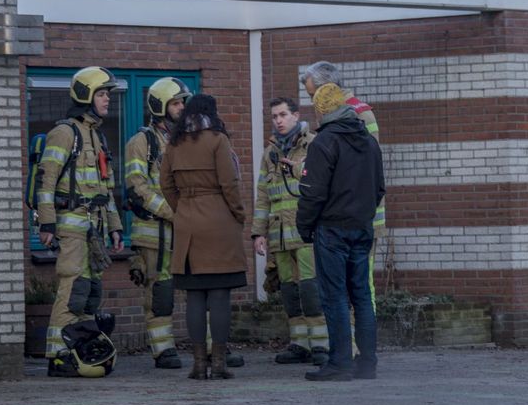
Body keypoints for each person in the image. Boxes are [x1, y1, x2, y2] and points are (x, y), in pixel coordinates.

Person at [38, 66, 125, 378]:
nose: (106, 100)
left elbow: (106, 188)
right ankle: (57, 354)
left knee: (89, 292)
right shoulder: (65, 134)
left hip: (96, 229)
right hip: (73, 227)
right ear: (86, 96)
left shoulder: (97, 135)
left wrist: (115, 226)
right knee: (72, 288)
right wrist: (47, 224)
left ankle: (79, 348)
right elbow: (45, 183)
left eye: (107, 95)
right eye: (102, 94)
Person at [297, 82, 385, 382]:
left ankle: (339, 363)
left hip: (332, 231)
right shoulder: (369, 142)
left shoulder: (324, 143)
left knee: (334, 297)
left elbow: (312, 192)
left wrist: (305, 227)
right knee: (361, 296)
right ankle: (367, 363)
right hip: (361, 229)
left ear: (322, 111)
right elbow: (379, 188)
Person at [161, 94, 248, 380]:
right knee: (220, 297)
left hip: (187, 224)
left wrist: (183, 208)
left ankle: (198, 365)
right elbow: (229, 183)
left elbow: (165, 184)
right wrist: (238, 214)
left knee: (195, 297)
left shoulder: (174, 143)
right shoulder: (217, 139)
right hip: (219, 222)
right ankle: (219, 363)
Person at [252, 97, 328, 365]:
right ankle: (300, 344)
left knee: (310, 289)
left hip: (305, 231)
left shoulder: (314, 144)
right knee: (289, 291)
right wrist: (258, 233)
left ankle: (321, 345)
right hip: (279, 234)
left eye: (283, 115)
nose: (279, 121)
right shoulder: (269, 152)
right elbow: (263, 195)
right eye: (274, 117)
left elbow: (321, 187)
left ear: (296, 116)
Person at [124, 77, 191, 370]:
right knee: (160, 292)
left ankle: (214, 348)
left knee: (201, 287)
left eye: (183, 103)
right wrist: (172, 212)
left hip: (188, 230)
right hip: (155, 233)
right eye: (176, 103)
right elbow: (137, 185)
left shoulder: (187, 139)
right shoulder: (142, 142)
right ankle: (163, 350)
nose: (181, 108)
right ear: (159, 106)